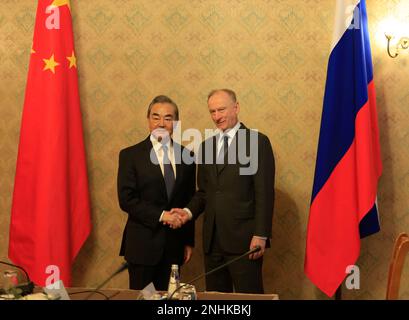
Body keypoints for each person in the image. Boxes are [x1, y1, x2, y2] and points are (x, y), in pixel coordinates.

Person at [173, 89, 275, 293]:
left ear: (236, 108)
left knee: (249, 298)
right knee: (216, 299)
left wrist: (261, 234)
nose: (217, 116)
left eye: (221, 109)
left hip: (245, 241)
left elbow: (264, 192)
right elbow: (204, 192)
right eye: (212, 111)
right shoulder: (206, 146)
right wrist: (188, 212)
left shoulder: (257, 142)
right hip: (212, 242)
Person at [117, 95, 196, 290]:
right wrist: (162, 216)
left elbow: (189, 199)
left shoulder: (187, 156)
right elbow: (127, 200)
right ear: (148, 120)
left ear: (175, 123)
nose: (161, 123)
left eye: (168, 118)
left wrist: (188, 241)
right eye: (156, 117)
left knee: (170, 303)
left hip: (174, 248)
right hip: (142, 247)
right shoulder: (130, 155)